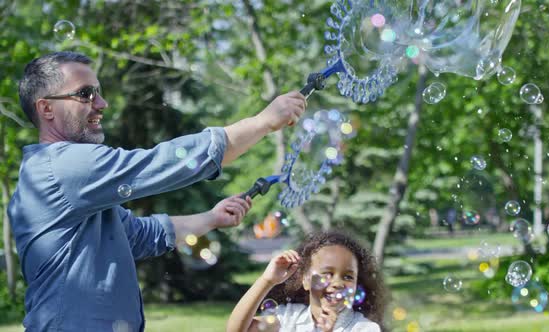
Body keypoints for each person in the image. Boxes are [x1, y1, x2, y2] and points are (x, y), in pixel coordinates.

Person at [7, 51, 306, 331]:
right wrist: (263, 121)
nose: (101, 104)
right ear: (46, 107)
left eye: (98, 92)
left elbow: (138, 235)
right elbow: (162, 163)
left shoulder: (71, 186)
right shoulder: (62, 167)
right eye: (86, 94)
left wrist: (212, 218)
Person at [227, 231, 387, 332]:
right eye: (327, 273)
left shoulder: (365, 328)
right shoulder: (289, 318)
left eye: (348, 277)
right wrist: (267, 280)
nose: (338, 283)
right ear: (306, 280)